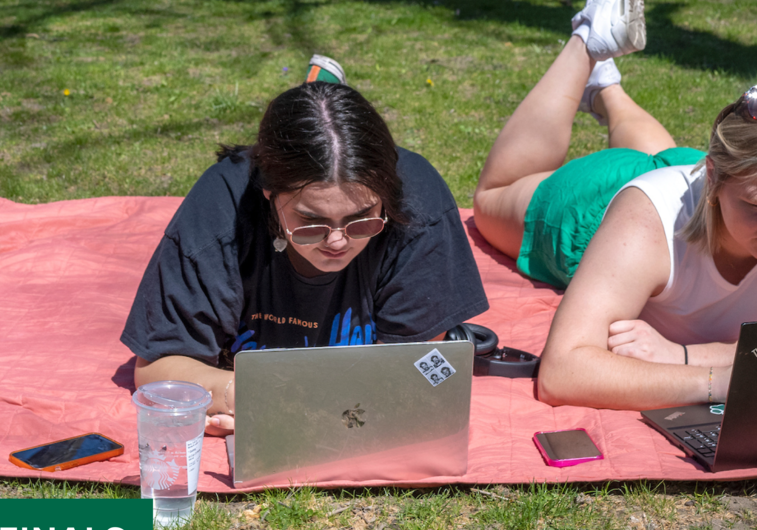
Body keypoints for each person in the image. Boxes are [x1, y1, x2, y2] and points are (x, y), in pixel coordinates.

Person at [472, 0, 757, 411]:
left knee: (660, 158)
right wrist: (719, 381)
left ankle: (607, 88)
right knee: (492, 199)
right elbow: (562, 373)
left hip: (680, 173)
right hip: (598, 207)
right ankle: (588, 43)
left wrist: (684, 357)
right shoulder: (643, 223)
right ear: (715, 178)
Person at [123, 56, 490, 435]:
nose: (337, 241)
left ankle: (320, 99)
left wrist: (281, 404)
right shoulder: (220, 211)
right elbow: (157, 367)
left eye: (361, 220)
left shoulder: (417, 203)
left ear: (386, 198)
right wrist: (241, 396)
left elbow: (420, 363)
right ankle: (317, 100)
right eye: (311, 223)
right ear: (268, 191)